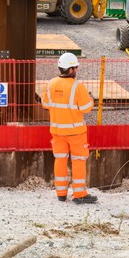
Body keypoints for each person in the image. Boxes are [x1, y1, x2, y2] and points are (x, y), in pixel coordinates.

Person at [39, 52, 97, 204]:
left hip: (57, 132)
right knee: (78, 161)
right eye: (76, 68)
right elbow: (86, 108)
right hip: (76, 132)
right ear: (71, 69)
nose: (76, 71)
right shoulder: (77, 87)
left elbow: (45, 104)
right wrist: (91, 99)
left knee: (60, 160)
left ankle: (61, 193)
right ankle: (79, 195)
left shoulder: (50, 84)